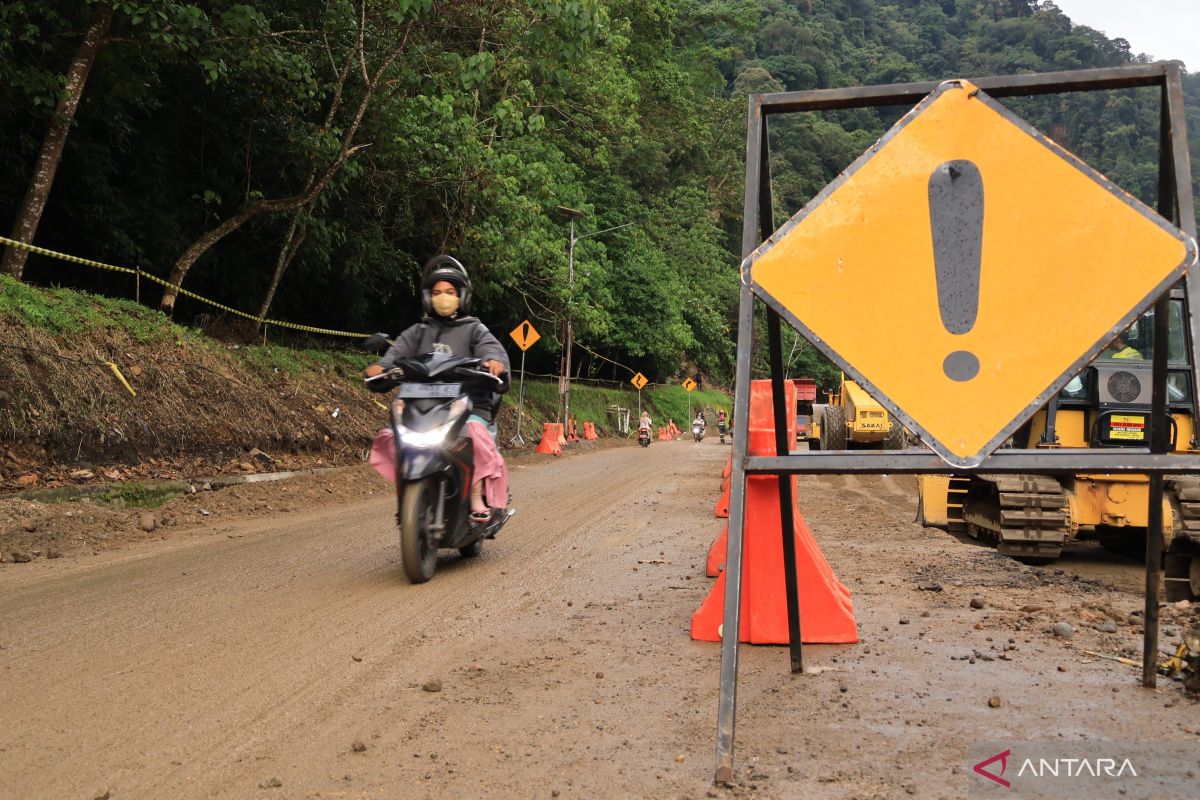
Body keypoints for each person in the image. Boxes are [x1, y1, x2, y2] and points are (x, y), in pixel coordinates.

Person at [365, 255, 510, 523]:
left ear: (462, 296)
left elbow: (491, 350)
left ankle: (476, 495)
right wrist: (380, 368)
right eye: (437, 292)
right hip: (421, 405)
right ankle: (407, 496)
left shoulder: (475, 329)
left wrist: (494, 364)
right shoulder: (418, 331)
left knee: (474, 435)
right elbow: (396, 353)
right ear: (427, 297)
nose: (443, 297)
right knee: (391, 437)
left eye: (450, 292)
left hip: (467, 404)